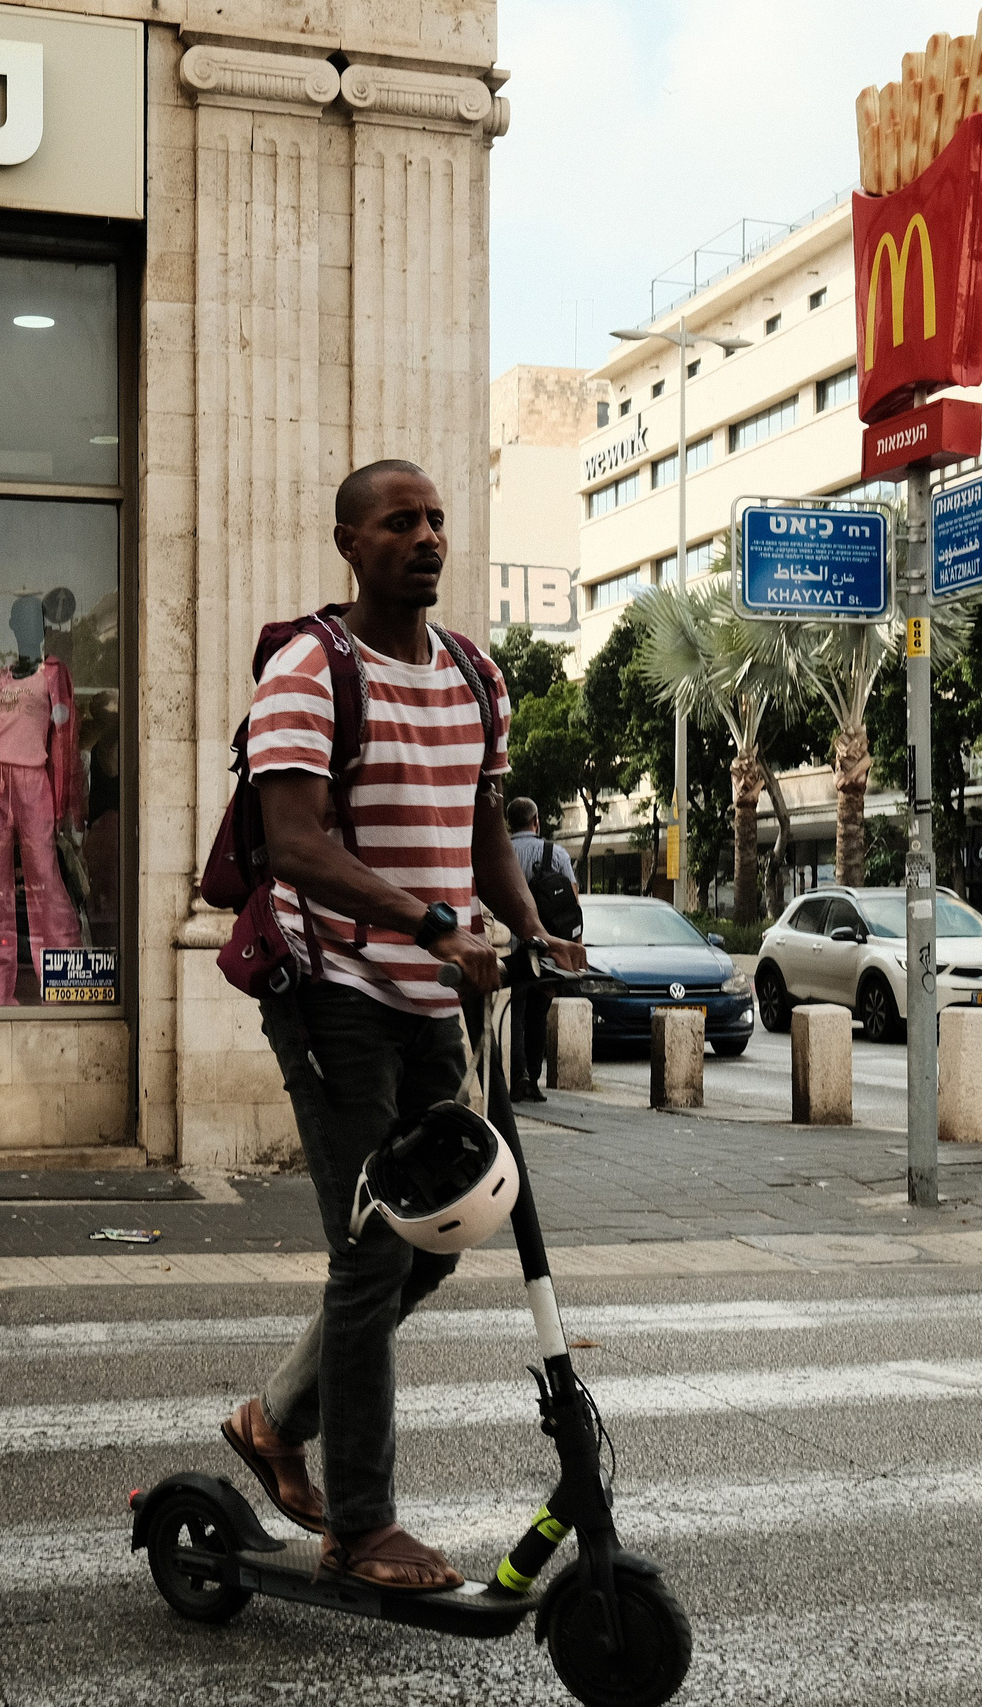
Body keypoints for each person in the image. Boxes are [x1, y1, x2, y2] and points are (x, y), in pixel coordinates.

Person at [221, 460, 586, 1594]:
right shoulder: (308, 672)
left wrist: (530, 927)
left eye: (434, 520)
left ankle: (274, 1419)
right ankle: (363, 1524)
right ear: (349, 543)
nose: (425, 537)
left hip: (437, 993)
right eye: (399, 522)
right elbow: (295, 844)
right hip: (333, 991)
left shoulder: (476, 671)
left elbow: (478, 818)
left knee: (436, 1236)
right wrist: (432, 924)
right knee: (372, 1250)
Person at [507, 797, 578, 1103]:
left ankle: (515, 1076)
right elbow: (573, 905)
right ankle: (532, 1080)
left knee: (513, 1014)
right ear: (536, 821)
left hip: (506, 949)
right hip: (547, 950)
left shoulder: (500, 853)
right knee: (537, 1015)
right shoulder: (556, 853)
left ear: (510, 823)